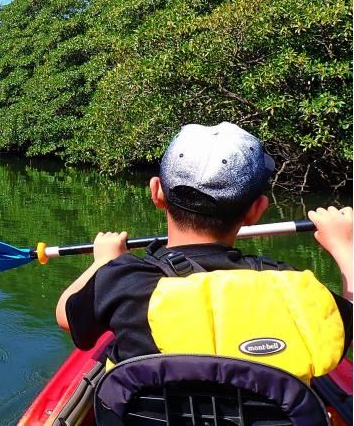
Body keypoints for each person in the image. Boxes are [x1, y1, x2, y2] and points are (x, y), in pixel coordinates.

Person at [55, 122, 352, 376]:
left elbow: (65, 315)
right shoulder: (297, 291)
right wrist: (344, 248)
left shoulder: (123, 283)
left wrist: (103, 262)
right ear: (257, 210)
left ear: (156, 192)